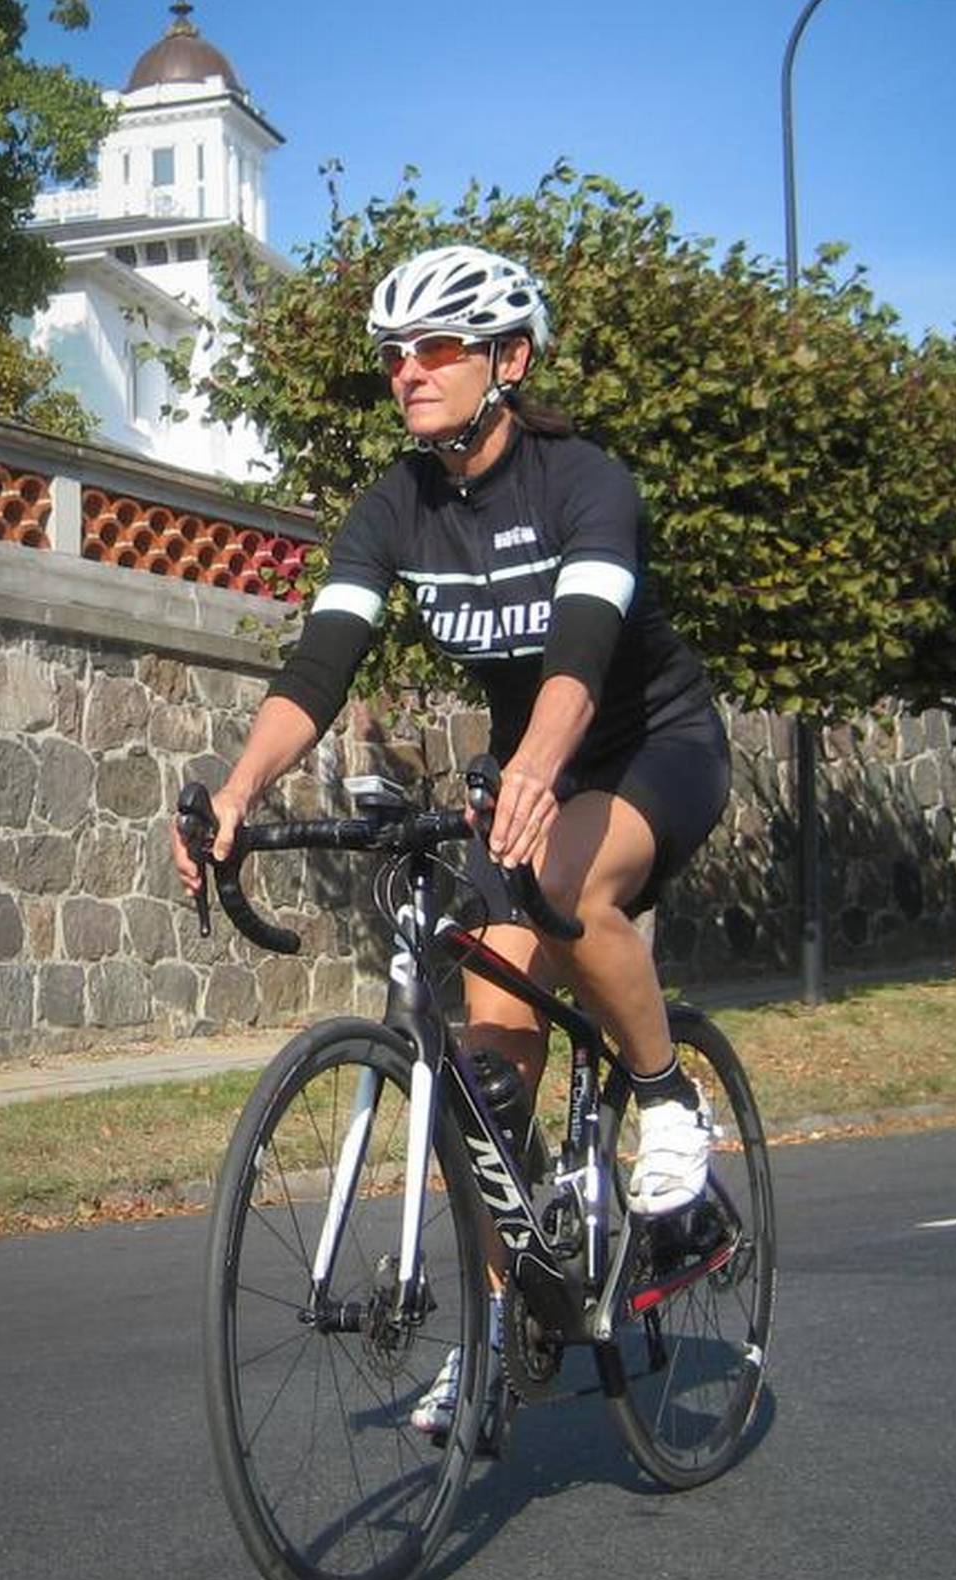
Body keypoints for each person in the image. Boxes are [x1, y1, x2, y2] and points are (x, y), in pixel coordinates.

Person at [167, 242, 732, 1436]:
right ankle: (492, 1334)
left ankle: (669, 1101)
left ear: (506, 360)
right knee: (486, 1065)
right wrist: (238, 789)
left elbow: (581, 648)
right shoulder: (395, 507)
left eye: (435, 349)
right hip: (531, 770)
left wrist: (532, 764)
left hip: (646, 749)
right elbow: (320, 664)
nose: (409, 373)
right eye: (394, 356)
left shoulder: (585, 482)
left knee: (572, 878)